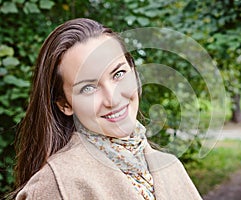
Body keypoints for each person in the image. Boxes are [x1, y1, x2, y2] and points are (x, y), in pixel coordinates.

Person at [11, 18, 202, 199]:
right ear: (65, 104)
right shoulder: (55, 184)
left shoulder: (170, 167)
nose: (112, 98)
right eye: (88, 88)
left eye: (118, 74)